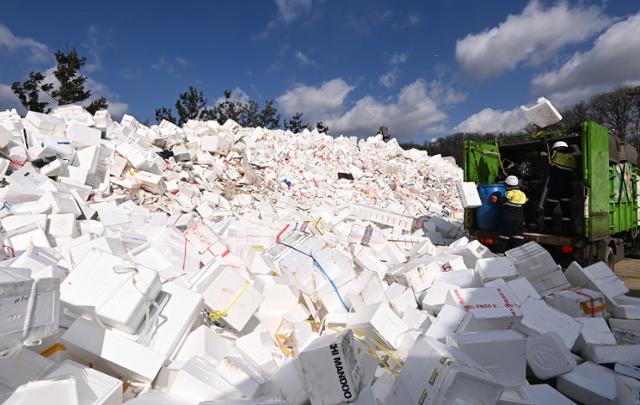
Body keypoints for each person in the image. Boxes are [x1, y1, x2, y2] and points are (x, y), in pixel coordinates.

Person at [544, 141, 577, 235]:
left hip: (556, 188)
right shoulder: (572, 159)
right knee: (566, 210)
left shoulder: (556, 156)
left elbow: (548, 152)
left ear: (558, 149)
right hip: (567, 189)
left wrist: (544, 141)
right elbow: (573, 175)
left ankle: (548, 229)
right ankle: (566, 230)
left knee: (548, 209)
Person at [491, 175, 528, 254]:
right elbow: (526, 201)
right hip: (519, 221)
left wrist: (496, 199)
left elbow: (502, 201)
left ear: (507, 186)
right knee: (518, 239)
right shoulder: (522, 194)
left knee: (503, 238)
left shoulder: (509, 193)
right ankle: (517, 256)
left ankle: (499, 255)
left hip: (508, 220)